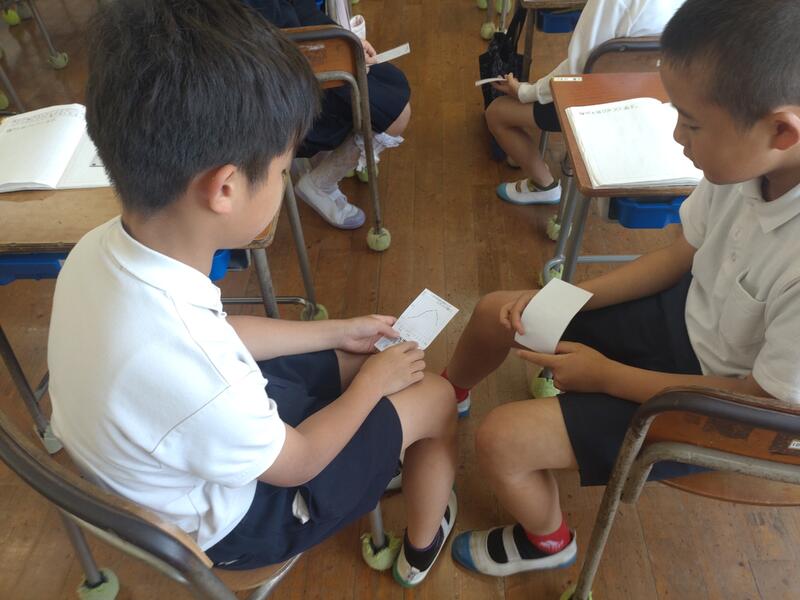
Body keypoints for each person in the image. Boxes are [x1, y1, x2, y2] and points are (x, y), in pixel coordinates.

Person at [47, 0, 455, 587]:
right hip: (243, 524)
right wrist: (371, 385)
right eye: (285, 169)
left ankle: (379, 438)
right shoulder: (191, 362)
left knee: (368, 360)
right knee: (433, 396)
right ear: (226, 189)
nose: (285, 180)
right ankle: (422, 543)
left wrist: (338, 332)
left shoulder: (102, 251)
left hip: (181, 456)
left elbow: (219, 334)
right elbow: (298, 462)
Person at [446, 0, 800, 575]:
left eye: (691, 123)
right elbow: (678, 257)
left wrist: (607, 376)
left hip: (727, 406)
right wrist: (568, 298)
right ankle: (446, 396)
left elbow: (762, 398)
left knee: (501, 440)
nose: (678, 136)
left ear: (781, 130)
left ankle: (549, 543)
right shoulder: (745, 163)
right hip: (684, 319)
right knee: (497, 311)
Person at [489, 0, 684, 205]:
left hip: (596, 105)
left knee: (496, 113)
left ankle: (544, 186)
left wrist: (524, 91)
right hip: (657, 103)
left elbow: (578, 68)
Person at [244, 0, 411, 230]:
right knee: (397, 113)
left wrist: (346, 42)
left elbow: (299, 10)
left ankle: (323, 172)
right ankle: (320, 184)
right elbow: (263, 47)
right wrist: (340, 48)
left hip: (296, 61)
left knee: (389, 89)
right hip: (271, 91)